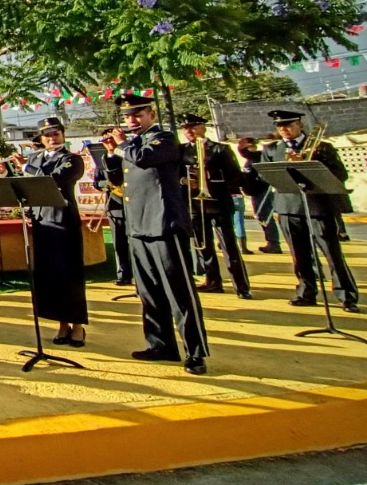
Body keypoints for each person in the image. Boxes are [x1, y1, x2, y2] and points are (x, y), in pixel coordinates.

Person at [117, 94, 209, 376]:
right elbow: (116, 177)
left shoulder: (164, 139)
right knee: (149, 293)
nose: (132, 121)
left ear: (151, 115)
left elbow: (146, 159)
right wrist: (112, 153)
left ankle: (195, 352)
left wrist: (121, 144)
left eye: (138, 115)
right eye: (128, 117)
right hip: (138, 226)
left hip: (163, 224)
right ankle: (161, 344)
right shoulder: (132, 144)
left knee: (179, 293)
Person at [246, 110, 359, 313]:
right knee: (299, 255)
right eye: (280, 126)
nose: (284, 129)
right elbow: (265, 177)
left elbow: (340, 174)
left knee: (332, 254)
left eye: (288, 125)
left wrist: (308, 164)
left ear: (299, 125)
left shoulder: (322, 147)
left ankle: (346, 296)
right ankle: (306, 291)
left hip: (318, 207)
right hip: (288, 207)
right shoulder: (272, 149)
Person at [19, 117, 88, 347]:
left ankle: (77, 325)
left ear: (63, 135)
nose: (52, 138)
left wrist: (27, 167)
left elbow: (53, 179)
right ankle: (61, 324)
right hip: (42, 221)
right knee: (50, 276)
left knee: (70, 275)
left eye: (56, 133)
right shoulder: (37, 158)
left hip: (64, 222)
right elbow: (26, 186)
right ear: (41, 138)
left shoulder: (72, 159)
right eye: (47, 135)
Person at [177, 114, 250, 300]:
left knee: (229, 246)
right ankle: (212, 280)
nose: (189, 131)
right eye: (185, 128)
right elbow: (174, 174)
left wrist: (209, 176)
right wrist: (185, 180)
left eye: (193, 127)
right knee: (204, 247)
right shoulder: (181, 151)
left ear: (203, 127)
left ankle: (241, 285)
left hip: (218, 203)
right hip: (195, 204)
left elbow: (235, 176)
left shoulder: (219, 149)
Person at [94, 128, 132, 285]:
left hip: (132, 204)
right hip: (115, 205)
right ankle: (123, 274)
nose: (108, 143)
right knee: (119, 243)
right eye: (105, 141)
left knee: (136, 243)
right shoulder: (102, 159)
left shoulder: (128, 154)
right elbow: (97, 182)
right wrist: (106, 184)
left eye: (111, 139)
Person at [237, 136, 283, 253]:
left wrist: (241, 149)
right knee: (261, 216)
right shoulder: (250, 160)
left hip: (262, 191)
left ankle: (274, 243)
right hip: (254, 192)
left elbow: (246, 154)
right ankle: (271, 242)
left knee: (265, 216)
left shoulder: (258, 155)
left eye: (246, 144)